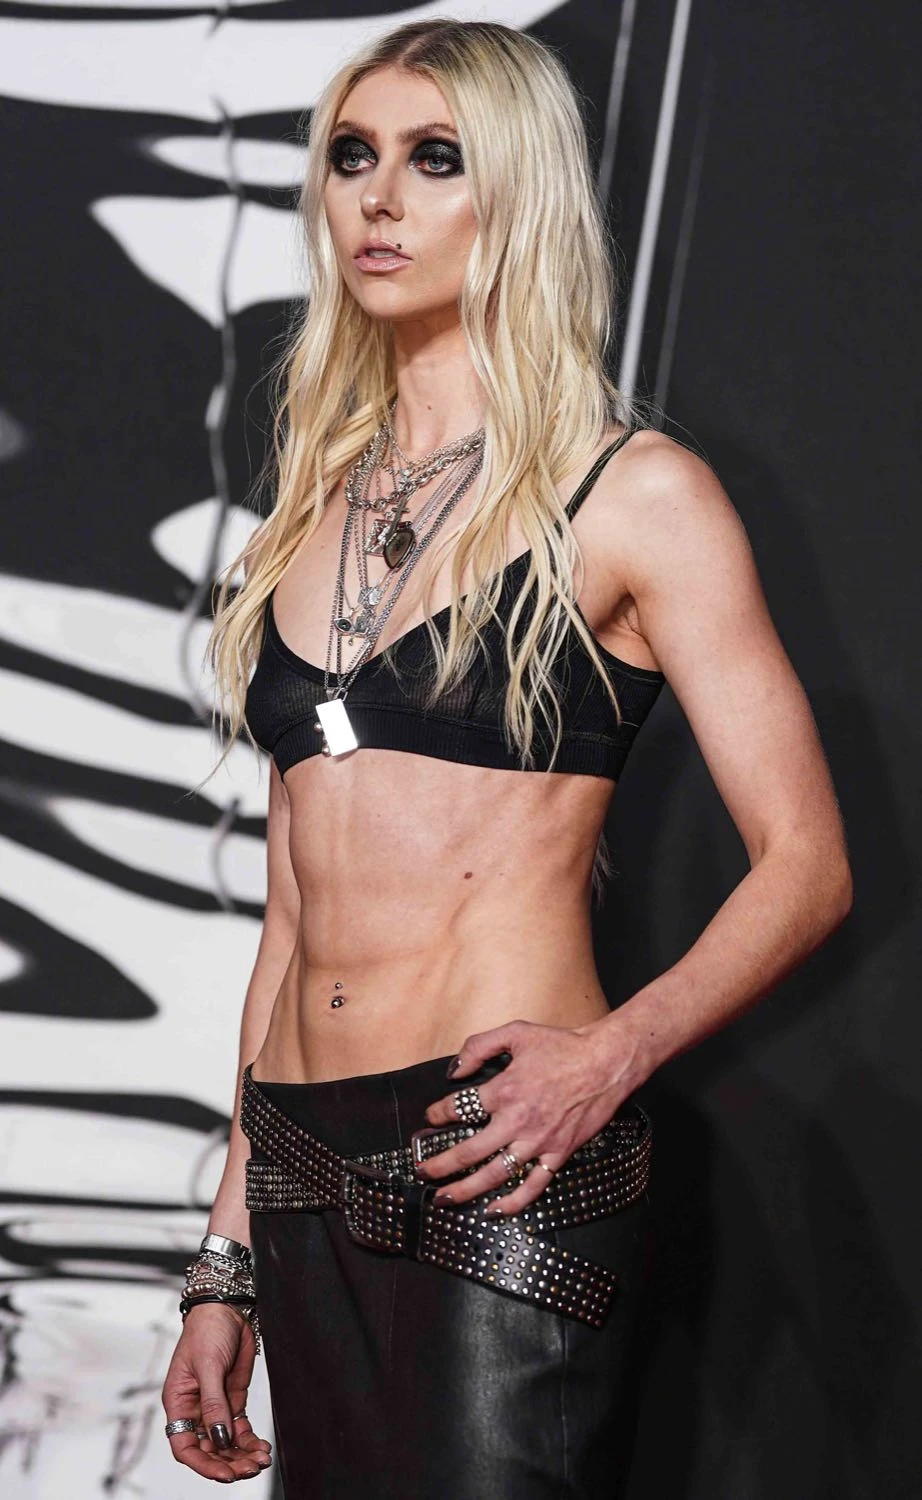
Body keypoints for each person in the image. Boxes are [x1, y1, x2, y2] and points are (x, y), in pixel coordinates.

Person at [160, 18, 852, 1496]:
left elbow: (808, 866)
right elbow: (291, 919)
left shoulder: (631, 494)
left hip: (497, 1157)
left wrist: (614, 1056)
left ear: (517, 192)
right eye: (352, 156)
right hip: (298, 1170)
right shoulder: (310, 513)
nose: (377, 199)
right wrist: (224, 1261)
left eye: (434, 160)